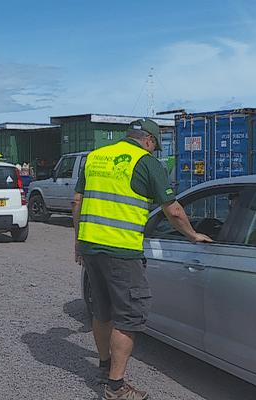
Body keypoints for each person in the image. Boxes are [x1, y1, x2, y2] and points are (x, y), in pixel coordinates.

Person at [72, 118, 212, 400]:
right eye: (155, 145)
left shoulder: (95, 157)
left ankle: (103, 368)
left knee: (102, 311)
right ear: (149, 140)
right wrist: (193, 235)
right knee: (129, 317)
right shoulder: (146, 163)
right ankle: (116, 388)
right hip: (121, 251)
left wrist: (78, 242)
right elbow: (172, 209)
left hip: (90, 246)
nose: (154, 150)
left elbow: (77, 201)